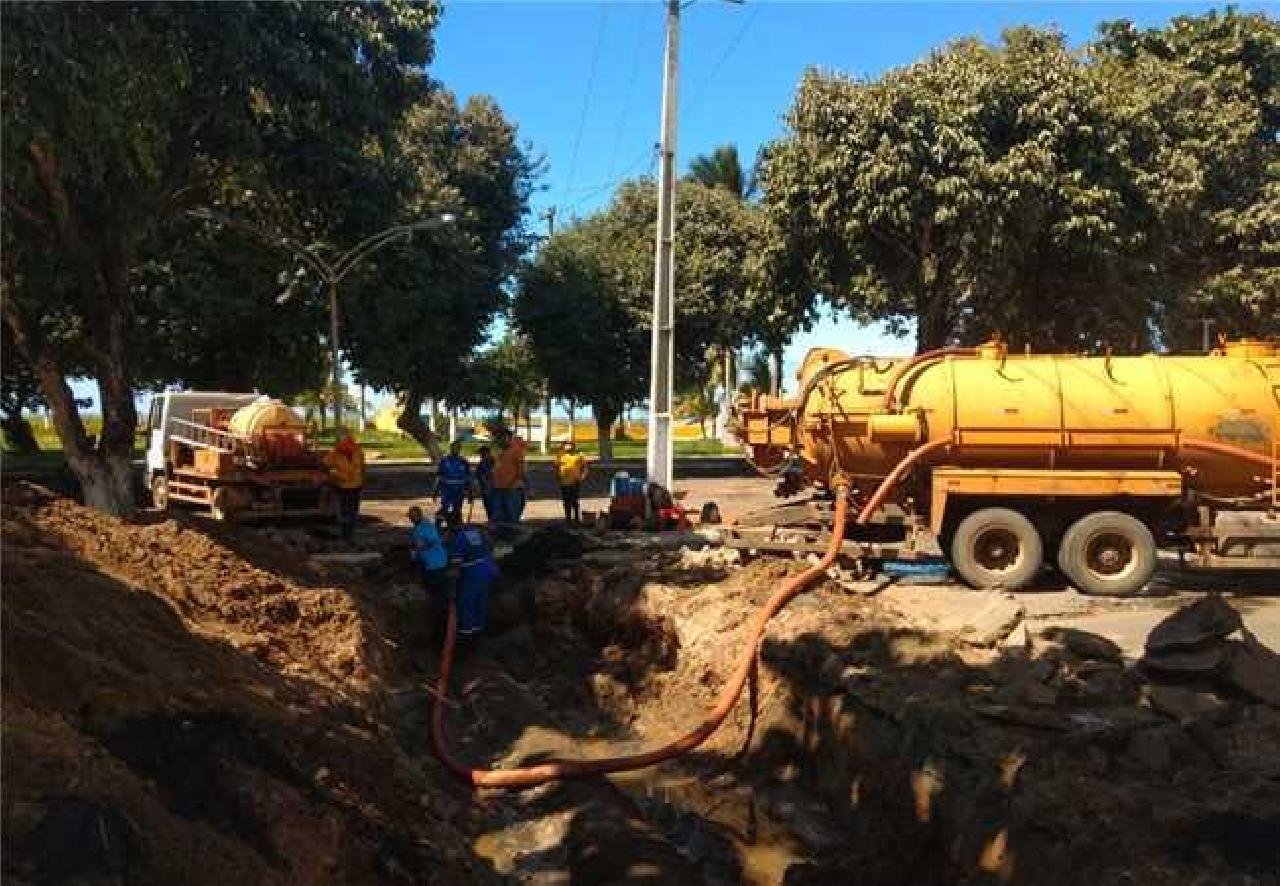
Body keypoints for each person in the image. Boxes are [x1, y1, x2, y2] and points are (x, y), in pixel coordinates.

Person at [449, 521, 498, 642]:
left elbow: (456, 564)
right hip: (488, 569)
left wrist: (452, 586)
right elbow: (490, 547)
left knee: (467, 602)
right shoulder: (477, 533)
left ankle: (466, 633)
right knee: (481, 600)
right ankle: (479, 630)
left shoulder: (459, 538)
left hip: (473, 574)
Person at [407, 505, 449, 635]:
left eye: (412, 517)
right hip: (443, 562)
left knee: (435, 596)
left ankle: (438, 623)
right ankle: (443, 618)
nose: (411, 520)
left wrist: (413, 564)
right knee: (442, 595)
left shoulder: (418, 531)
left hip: (432, 567)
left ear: (416, 517)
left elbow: (418, 549)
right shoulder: (428, 524)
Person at [325, 428, 365, 541]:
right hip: (346, 486)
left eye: (344, 437)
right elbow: (325, 464)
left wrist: (332, 473)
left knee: (349, 512)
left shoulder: (356, 451)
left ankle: (348, 535)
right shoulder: (336, 453)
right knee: (348, 512)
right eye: (341, 438)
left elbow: (362, 468)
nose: (343, 440)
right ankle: (347, 535)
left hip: (352, 486)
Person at [490, 430, 527, 534]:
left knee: (512, 515)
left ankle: (512, 537)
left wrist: (511, 482)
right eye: (498, 438)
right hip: (498, 488)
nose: (499, 440)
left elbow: (520, 470)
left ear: (508, 438)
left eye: (502, 437)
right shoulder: (500, 451)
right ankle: (500, 536)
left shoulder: (516, 450)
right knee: (498, 514)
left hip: (512, 488)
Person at [435, 441, 472, 525]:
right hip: (447, 490)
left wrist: (470, 492)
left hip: (459, 490)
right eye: (454, 448)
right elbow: (439, 477)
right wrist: (435, 491)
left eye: (457, 448)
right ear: (451, 449)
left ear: (459, 449)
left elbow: (468, 478)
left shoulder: (463, 462)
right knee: (446, 507)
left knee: (457, 508)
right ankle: (439, 519)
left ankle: (455, 525)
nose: (455, 449)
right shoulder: (444, 461)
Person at [553, 440, 589, 523]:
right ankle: (568, 518)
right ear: (564, 446)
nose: (568, 446)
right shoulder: (560, 455)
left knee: (574, 501)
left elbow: (585, 467)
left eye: (570, 445)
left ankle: (576, 519)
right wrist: (557, 476)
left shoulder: (579, 455)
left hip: (575, 481)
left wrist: (582, 477)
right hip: (564, 482)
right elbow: (556, 467)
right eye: (567, 445)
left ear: (574, 446)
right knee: (566, 501)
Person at [474, 445, 496, 524]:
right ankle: (492, 522)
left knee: (493, 508)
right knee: (489, 508)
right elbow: (478, 476)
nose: (481, 456)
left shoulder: (493, 462)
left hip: (492, 489)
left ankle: (494, 523)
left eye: (482, 454)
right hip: (486, 489)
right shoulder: (481, 464)